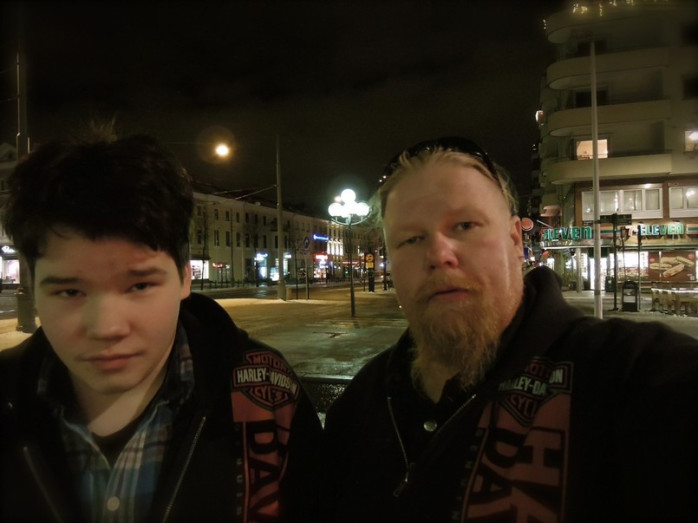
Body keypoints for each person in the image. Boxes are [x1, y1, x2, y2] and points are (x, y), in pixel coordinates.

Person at [317, 137, 698, 522]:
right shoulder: (361, 405)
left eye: (465, 225)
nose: (438, 255)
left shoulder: (622, 376)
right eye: (411, 239)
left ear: (515, 240)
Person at [0, 130, 322, 522]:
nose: (107, 327)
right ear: (33, 286)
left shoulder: (267, 398)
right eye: (70, 292)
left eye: (139, 286)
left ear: (185, 277)